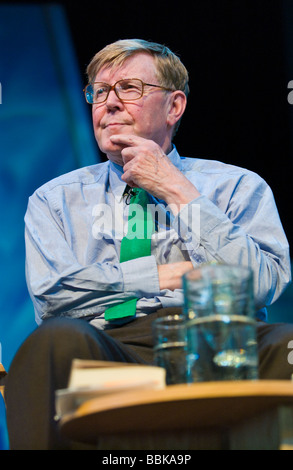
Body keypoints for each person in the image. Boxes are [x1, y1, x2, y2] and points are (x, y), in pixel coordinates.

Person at [4, 39, 292, 450]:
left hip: (213, 338)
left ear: (174, 107)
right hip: (106, 343)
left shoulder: (237, 186)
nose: (109, 103)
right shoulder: (54, 199)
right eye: (99, 92)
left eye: (129, 89)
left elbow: (263, 284)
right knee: (53, 342)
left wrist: (177, 190)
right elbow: (52, 297)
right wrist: (163, 275)